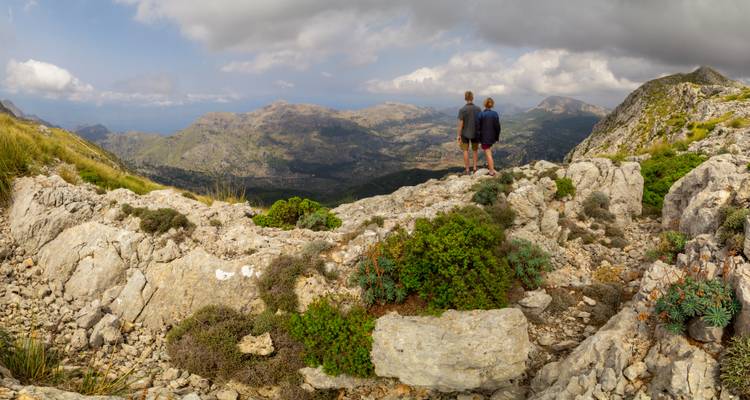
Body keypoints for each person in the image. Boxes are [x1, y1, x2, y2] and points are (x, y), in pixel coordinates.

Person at [457, 90, 481, 175]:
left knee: (465, 150)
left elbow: (461, 124)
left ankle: (467, 170)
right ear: (472, 98)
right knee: (475, 150)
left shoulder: (462, 110)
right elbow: (480, 122)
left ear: (465, 98)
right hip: (475, 133)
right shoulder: (478, 109)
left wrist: (459, 135)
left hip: (464, 134)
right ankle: (475, 168)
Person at [477, 97, 501, 176]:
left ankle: (491, 171)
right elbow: (498, 127)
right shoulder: (495, 114)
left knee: (488, 153)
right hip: (492, 137)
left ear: (484, 104)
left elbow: (478, 128)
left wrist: (478, 138)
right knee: (488, 151)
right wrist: (497, 137)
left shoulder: (481, 114)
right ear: (492, 105)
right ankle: (491, 168)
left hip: (484, 137)